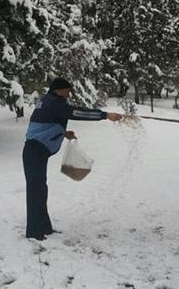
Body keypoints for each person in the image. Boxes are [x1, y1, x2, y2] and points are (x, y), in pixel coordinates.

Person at [23, 77, 122, 240]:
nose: (69, 94)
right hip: (35, 150)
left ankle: (44, 227)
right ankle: (34, 232)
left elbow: (45, 122)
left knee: (40, 189)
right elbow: (76, 112)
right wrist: (105, 115)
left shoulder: (48, 101)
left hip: (36, 149)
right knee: (35, 190)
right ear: (60, 90)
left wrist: (63, 133)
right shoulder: (55, 103)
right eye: (67, 90)